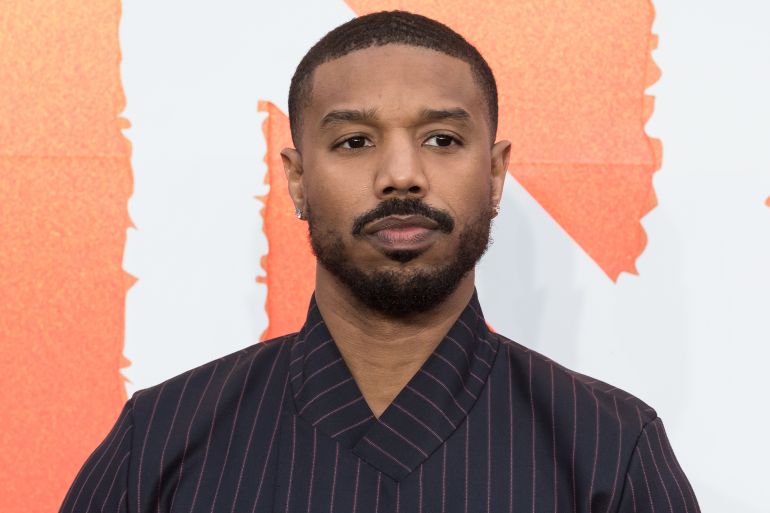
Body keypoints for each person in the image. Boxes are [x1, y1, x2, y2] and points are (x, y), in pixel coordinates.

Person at [60, 10, 699, 513]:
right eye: (354, 141)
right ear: (297, 178)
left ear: (496, 173)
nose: (401, 175)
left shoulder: (609, 448)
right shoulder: (163, 437)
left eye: (442, 139)